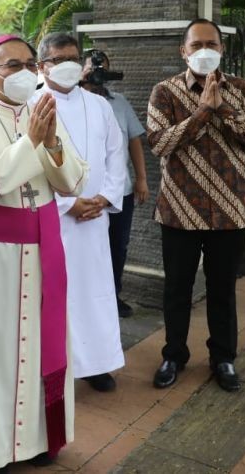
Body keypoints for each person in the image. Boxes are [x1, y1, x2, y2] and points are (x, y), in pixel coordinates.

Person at [0, 34, 87, 472]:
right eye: (13, 66)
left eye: (31, 64)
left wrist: (50, 143)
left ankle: (40, 440)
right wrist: (31, 142)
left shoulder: (44, 112)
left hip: (43, 248)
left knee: (43, 344)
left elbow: (72, 182)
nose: (26, 73)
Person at [147, 18, 245, 393]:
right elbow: (159, 144)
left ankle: (223, 358)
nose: (204, 51)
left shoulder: (243, 89)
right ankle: (174, 355)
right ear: (183, 51)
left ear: (222, 49)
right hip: (180, 210)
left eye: (211, 44)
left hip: (231, 210)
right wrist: (201, 111)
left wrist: (223, 110)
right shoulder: (164, 93)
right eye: (196, 45)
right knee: (177, 290)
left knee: (222, 291)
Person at [36, 33, 125, 392]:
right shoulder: (31, 105)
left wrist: (104, 197)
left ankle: (97, 363)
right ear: (42, 66)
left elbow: (115, 154)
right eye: (58, 59)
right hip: (55, 220)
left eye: (73, 57)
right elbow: (29, 165)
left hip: (94, 219)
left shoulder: (99, 104)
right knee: (58, 295)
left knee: (96, 291)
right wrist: (67, 204)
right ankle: (59, 366)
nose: (68, 64)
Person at [81, 50, 149, 318]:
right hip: (85, 193)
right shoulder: (73, 100)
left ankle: (113, 295)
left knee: (117, 246)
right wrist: (81, 84)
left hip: (120, 192)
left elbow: (134, 140)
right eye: (92, 68)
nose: (99, 74)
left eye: (103, 69)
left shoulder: (119, 102)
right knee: (85, 246)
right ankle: (86, 298)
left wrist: (141, 179)